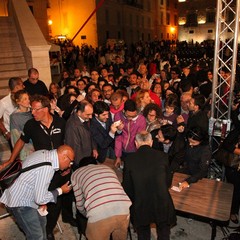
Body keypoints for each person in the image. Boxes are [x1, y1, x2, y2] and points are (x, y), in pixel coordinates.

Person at [0, 145, 74, 240]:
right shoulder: (48, 168)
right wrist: (60, 190)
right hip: (20, 203)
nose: (69, 165)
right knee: (36, 236)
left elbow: (37, 184)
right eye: (70, 162)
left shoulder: (45, 152)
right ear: (64, 157)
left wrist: (42, 201)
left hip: (28, 196)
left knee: (42, 222)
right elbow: (40, 199)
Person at [122, 131, 176, 240]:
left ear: (136, 143)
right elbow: (168, 182)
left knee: (143, 234)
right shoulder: (163, 156)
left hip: (141, 202)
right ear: (151, 142)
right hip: (161, 200)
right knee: (164, 232)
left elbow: (127, 188)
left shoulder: (129, 160)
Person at [71, 157, 132, 240]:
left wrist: (87, 214)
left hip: (98, 215)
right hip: (123, 210)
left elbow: (79, 204)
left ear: (81, 167)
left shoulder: (76, 174)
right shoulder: (108, 168)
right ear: (96, 163)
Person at [65, 100, 98, 169]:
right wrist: (82, 165)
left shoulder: (84, 119)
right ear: (79, 113)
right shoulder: (72, 126)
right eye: (88, 114)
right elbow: (75, 149)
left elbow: (90, 135)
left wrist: (94, 148)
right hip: (81, 163)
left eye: (91, 114)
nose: (91, 117)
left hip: (87, 157)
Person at [114, 99, 146, 167]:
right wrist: (118, 156)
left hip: (135, 150)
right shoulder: (118, 116)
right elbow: (118, 137)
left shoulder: (141, 119)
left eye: (133, 116)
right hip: (122, 149)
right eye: (128, 116)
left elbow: (140, 139)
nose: (130, 118)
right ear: (123, 111)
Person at [221, 128, 240, 224]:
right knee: (235, 189)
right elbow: (226, 144)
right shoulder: (237, 129)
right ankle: (232, 212)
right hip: (235, 166)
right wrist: (238, 151)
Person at [0, 77, 24, 148]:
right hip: (13, 135)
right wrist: (6, 132)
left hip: (25, 133)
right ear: (17, 87)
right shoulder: (4, 102)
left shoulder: (24, 98)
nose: (24, 86)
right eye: (22, 85)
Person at [10, 90, 34, 161]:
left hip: (37, 147)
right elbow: (15, 137)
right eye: (25, 99)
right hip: (25, 151)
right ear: (18, 101)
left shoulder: (32, 112)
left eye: (28, 98)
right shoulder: (14, 116)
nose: (28, 101)